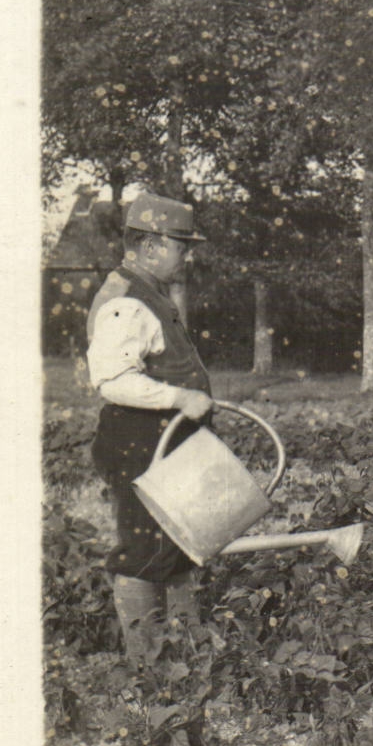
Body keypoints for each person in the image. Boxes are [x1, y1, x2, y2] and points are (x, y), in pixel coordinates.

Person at [86, 192, 215, 658]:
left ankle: (186, 650)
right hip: (139, 445)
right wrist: (180, 396)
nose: (187, 254)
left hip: (162, 441)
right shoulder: (125, 301)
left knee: (177, 543)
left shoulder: (147, 292)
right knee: (144, 552)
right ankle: (150, 666)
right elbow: (113, 381)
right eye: (182, 244)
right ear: (151, 245)